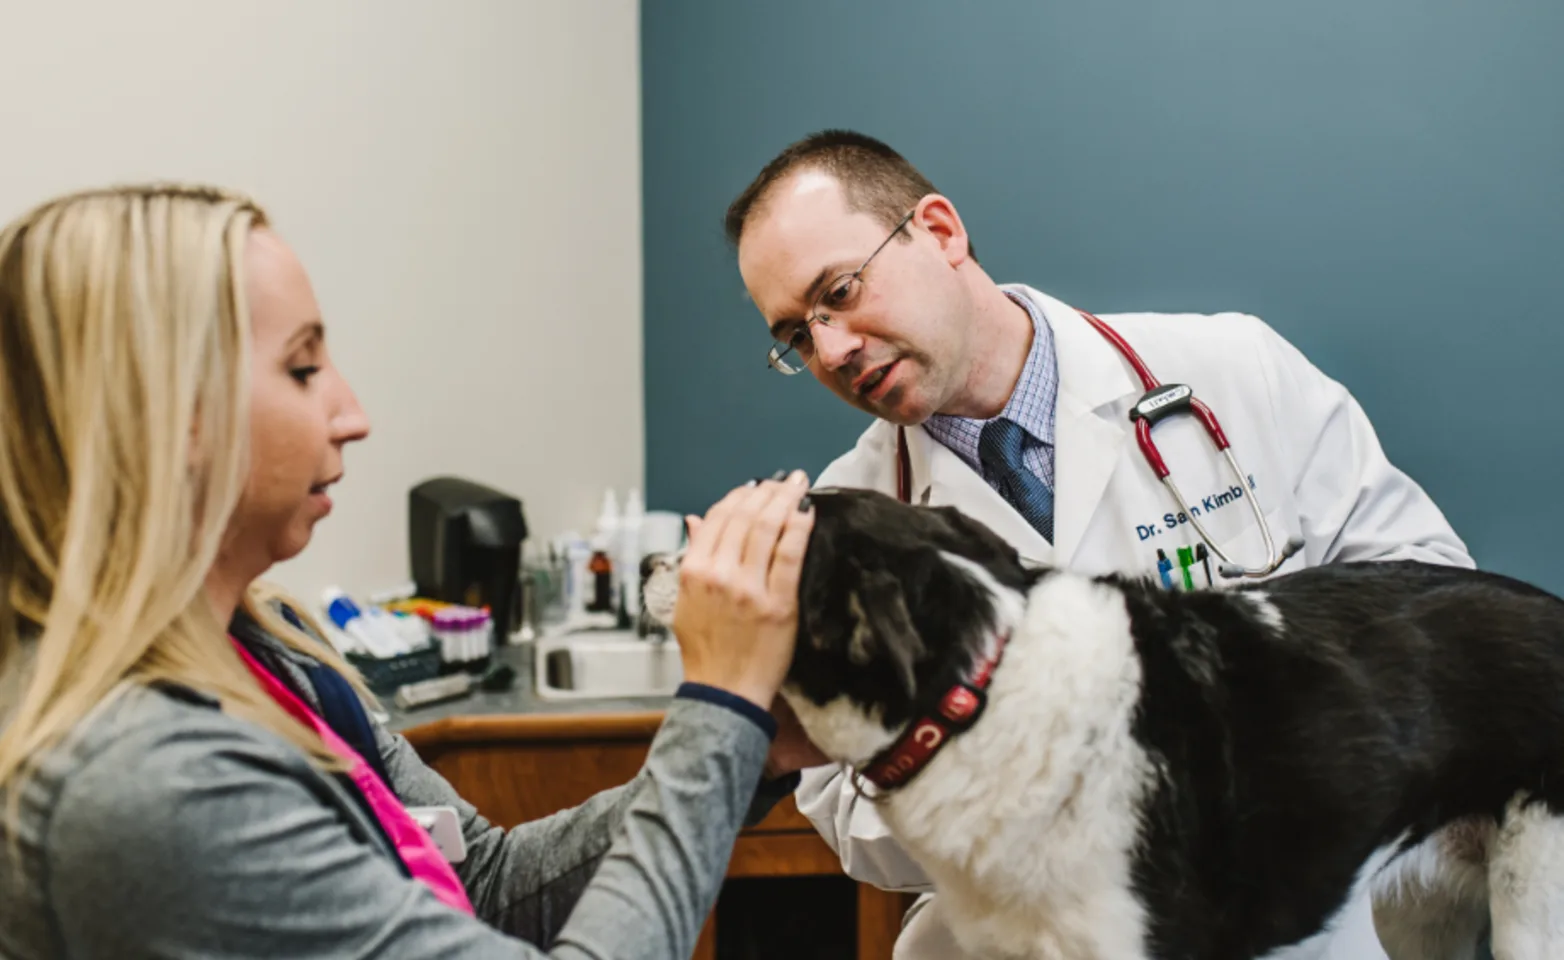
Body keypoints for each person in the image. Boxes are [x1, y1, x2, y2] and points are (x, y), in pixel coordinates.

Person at [0, 184, 815, 959]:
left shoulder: (275, 648)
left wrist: (754, 751)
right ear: (166, 415)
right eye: (301, 368)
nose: (352, 415)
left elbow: (484, 886)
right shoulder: (147, 783)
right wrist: (719, 704)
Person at [723, 130, 1476, 960]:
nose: (831, 349)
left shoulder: (1235, 371)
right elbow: (844, 812)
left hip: (1298, 913)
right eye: (797, 335)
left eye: (840, 290)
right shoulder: (842, 528)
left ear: (938, 231)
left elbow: (1434, 613)